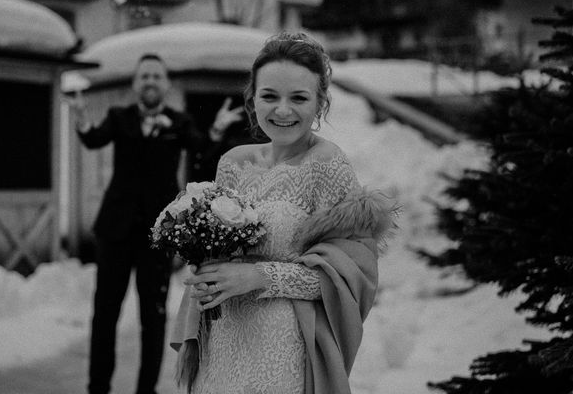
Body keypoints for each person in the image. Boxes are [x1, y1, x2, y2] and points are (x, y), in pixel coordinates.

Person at [172, 33, 398, 393]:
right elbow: (217, 249)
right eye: (270, 96)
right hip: (223, 342)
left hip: (284, 348)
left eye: (298, 98)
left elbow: (347, 281)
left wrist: (259, 276)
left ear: (320, 102)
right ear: (253, 97)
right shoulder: (232, 163)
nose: (282, 110)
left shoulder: (328, 165)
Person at [69, 53, 244, 394]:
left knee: (154, 316)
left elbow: (202, 151)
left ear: (165, 85)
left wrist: (217, 129)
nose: (150, 82)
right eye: (144, 76)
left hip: (158, 236)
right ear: (136, 84)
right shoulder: (119, 117)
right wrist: (80, 120)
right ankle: (97, 387)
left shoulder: (179, 122)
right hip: (115, 230)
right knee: (104, 313)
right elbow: (94, 139)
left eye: (156, 77)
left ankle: (146, 389)